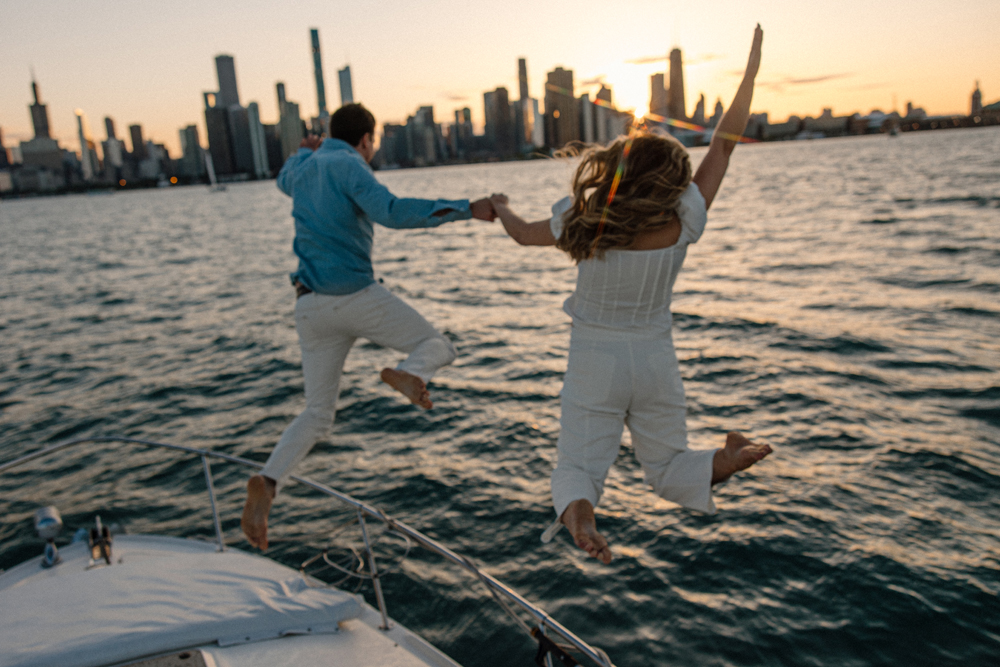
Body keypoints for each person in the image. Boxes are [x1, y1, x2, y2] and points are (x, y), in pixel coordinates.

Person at [489, 26, 772, 564]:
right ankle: (724, 458)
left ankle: (579, 513)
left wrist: (500, 206)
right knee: (666, 468)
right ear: (671, 181)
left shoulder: (585, 218)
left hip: (594, 357)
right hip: (654, 357)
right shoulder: (684, 216)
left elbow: (524, 232)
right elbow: (724, 143)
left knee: (579, 460)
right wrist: (750, 73)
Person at [242, 103, 497, 550]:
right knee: (437, 345)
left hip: (310, 307)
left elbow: (283, 177)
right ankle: (412, 373)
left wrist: (302, 151)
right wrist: (466, 208)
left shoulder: (303, 169)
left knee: (317, 413)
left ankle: (268, 480)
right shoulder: (349, 164)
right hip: (356, 296)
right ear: (367, 139)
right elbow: (392, 212)